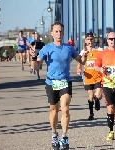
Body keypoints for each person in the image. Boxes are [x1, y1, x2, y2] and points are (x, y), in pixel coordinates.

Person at [34, 21, 88, 150]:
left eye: (61, 31)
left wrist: (84, 56)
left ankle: (64, 136)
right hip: (51, 82)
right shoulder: (46, 48)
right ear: (52, 33)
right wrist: (33, 58)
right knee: (54, 111)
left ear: (63, 33)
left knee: (65, 109)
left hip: (65, 81)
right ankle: (54, 134)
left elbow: (81, 61)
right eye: (56, 31)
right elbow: (36, 66)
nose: (59, 33)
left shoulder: (69, 48)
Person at [77, 32, 102, 120]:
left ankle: (97, 99)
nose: (90, 41)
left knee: (98, 95)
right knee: (90, 96)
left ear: (94, 40)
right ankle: (91, 114)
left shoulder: (99, 50)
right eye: (88, 39)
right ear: (86, 41)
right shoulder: (83, 52)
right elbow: (80, 62)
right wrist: (79, 69)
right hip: (88, 77)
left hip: (98, 76)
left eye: (91, 39)